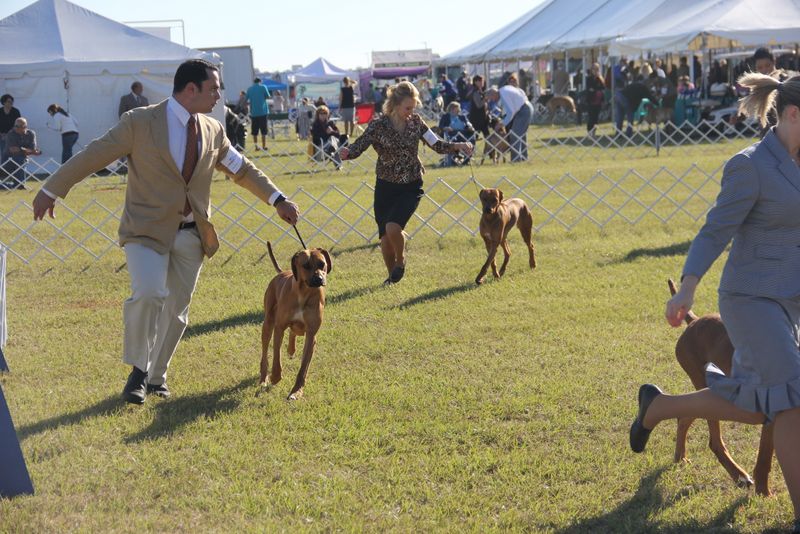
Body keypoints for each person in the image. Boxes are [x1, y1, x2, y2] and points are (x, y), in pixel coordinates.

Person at [32, 59, 299, 405]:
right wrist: (52, 188)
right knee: (149, 293)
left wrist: (277, 198)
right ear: (191, 89)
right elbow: (94, 155)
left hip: (192, 234)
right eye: (214, 88)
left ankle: (157, 378)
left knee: (176, 311)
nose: (220, 95)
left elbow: (242, 170)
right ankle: (138, 371)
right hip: (145, 230)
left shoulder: (214, 130)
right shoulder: (140, 122)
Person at [630, 72, 800, 534]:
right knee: (791, 395)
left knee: (762, 404)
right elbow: (715, 230)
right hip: (750, 299)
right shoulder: (750, 165)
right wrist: (687, 288)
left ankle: (659, 408)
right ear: (791, 114)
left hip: (792, 302)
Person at [339, 81, 473, 285]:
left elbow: (436, 144)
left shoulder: (417, 122)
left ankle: (401, 261)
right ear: (394, 105)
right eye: (407, 108)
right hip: (385, 186)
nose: (411, 112)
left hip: (411, 185)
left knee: (393, 227)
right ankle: (392, 277)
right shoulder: (377, 125)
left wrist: (458, 145)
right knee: (384, 239)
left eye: (414, 107)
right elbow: (359, 146)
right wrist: (347, 153)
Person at [484, 82, 533, 162]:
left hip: (523, 110)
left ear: (493, 94)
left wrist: (502, 124)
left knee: (514, 135)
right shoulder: (504, 90)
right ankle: (524, 158)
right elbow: (520, 92)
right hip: (526, 107)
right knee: (521, 135)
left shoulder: (504, 94)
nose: (492, 100)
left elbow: (510, 112)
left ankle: (516, 160)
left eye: (491, 98)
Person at [2, 117, 41, 189]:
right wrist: (26, 150)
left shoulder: (31, 134)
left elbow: (33, 149)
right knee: (19, 159)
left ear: (25, 127)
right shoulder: (10, 134)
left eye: (18, 126)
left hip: (22, 159)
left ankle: (19, 185)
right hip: (7, 161)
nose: (15, 128)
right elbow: (13, 149)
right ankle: (19, 185)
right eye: (15, 126)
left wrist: (28, 151)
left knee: (21, 159)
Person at [437, 101, 474, 166]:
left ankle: (466, 160)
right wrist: (446, 128)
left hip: (463, 134)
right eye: (456, 109)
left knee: (471, 139)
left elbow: (467, 125)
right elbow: (440, 126)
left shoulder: (462, 117)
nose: (458, 110)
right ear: (451, 109)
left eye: (458, 109)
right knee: (451, 141)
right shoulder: (445, 116)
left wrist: (470, 127)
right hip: (452, 134)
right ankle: (452, 160)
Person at [310, 105, 346, 170]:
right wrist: (326, 133)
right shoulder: (315, 124)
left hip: (333, 145)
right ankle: (338, 165)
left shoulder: (330, 123)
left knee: (332, 140)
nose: (323, 115)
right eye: (321, 113)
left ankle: (331, 149)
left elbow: (338, 135)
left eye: (325, 113)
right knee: (332, 144)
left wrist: (332, 131)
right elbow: (315, 138)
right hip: (321, 147)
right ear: (318, 115)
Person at [246, 77, 271, 151]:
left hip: (254, 113)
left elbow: (246, 99)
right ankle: (264, 146)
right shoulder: (263, 87)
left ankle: (256, 147)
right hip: (263, 112)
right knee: (264, 131)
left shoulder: (250, 89)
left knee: (254, 131)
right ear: (260, 81)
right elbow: (268, 96)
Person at [585, 63, 605, 136]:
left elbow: (602, 88)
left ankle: (594, 132)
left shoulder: (600, 78)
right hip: (591, 101)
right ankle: (589, 132)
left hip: (599, 101)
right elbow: (590, 89)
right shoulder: (589, 78)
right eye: (594, 69)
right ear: (591, 70)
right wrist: (594, 90)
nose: (595, 71)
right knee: (591, 117)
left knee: (596, 118)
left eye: (597, 69)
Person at [0, 94, 21, 163]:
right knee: (4, 155)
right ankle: (4, 172)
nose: (11, 103)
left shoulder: (16, 111)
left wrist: (8, 135)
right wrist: (2, 135)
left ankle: (15, 171)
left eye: (12, 102)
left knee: (15, 156)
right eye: (9, 101)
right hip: (2, 137)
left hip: (13, 136)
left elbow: (19, 125)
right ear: (4, 102)